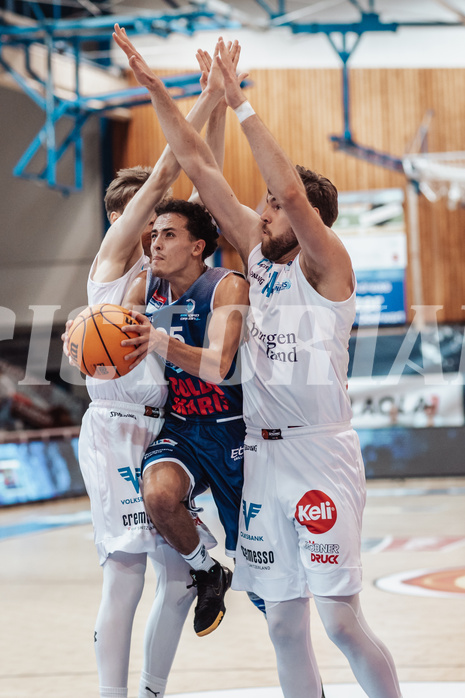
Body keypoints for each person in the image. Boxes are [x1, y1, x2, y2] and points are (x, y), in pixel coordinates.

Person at [113, 25, 403, 698]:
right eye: (265, 204)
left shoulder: (326, 266)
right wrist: (161, 89)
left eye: (270, 205)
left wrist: (241, 103)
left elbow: (294, 198)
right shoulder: (258, 262)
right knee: (282, 626)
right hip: (261, 457)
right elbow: (197, 164)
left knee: (339, 621)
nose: (260, 212)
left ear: (304, 221)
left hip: (318, 455)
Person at [63, 50, 235, 698]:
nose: (156, 226)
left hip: (163, 429)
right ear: (123, 219)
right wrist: (201, 95)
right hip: (113, 432)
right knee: (125, 571)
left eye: (163, 222)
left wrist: (216, 104)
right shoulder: (111, 269)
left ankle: (152, 690)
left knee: (176, 578)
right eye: (147, 216)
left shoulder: (169, 277)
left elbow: (201, 171)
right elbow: (174, 165)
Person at [121, 195, 250, 637]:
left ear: (198, 246)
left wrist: (158, 340)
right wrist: (79, 341)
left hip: (235, 430)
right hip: (181, 427)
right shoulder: (146, 289)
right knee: (157, 495)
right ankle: (207, 571)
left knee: (262, 583)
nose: (155, 244)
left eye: (168, 235)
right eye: (153, 235)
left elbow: (217, 365)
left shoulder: (226, 285)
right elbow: (110, 335)